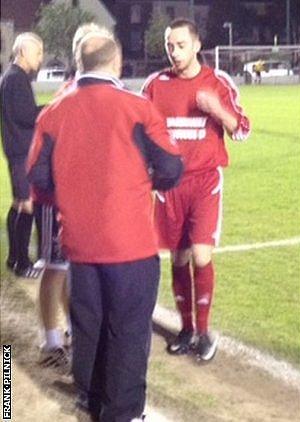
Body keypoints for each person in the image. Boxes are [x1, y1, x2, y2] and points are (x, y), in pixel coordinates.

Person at [27, 32, 183, 421]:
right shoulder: (137, 107)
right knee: (128, 332)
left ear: (79, 63)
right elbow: (171, 167)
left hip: (79, 245)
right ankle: (125, 413)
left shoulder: (53, 113)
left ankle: (91, 401)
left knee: (89, 328)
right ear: (116, 64)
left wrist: (76, 192)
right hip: (130, 245)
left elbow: (38, 178)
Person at [142, 18, 250, 362]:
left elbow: (242, 130)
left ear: (197, 45)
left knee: (201, 255)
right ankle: (186, 328)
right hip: (170, 185)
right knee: (179, 257)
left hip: (205, 183)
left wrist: (217, 109)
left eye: (181, 45)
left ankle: (203, 332)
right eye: (170, 46)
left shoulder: (217, 82)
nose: (174, 52)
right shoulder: (155, 84)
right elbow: (140, 132)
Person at [36, 23, 114, 374]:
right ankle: (50, 341)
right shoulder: (71, 95)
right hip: (59, 199)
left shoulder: (91, 93)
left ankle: (72, 332)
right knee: (56, 269)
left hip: (85, 202)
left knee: (71, 272)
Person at [0, 32, 44, 278]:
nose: (41, 57)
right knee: (26, 205)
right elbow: (26, 116)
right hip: (21, 151)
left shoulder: (11, 76)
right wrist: (50, 109)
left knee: (18, 204)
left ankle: (13, 258)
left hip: (15, 149)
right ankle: (22, 263)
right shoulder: (16, 79)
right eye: (38, 52)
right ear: (24, 52)